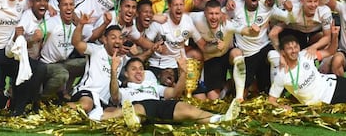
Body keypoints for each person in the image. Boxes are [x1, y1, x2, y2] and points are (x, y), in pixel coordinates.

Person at [102, 55, 241, 129]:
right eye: (134, 69)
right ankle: (133, 120)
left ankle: (220, 118)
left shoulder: (153, 86)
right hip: (139, 105)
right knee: (135, 109)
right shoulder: (124, 90)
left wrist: (183, 73)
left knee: (184, 107)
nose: (138, 71)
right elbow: (114, 95)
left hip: (158, 104)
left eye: (140, 68)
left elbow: (174, 93)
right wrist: (114, 71)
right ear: (126, 74)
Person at [268, 35, 346, 109]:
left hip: (334, 84)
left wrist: (334, 36)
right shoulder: (281, 76)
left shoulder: (305, 55)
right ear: (283, 52)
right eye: (289, 48)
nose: (294, 51)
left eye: (295, 47)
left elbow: (330, 51)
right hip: (325, 102)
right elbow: (271, 100)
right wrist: (282, 107)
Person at [69, 14, 126, 121]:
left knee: (119, 114)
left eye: (120, 38)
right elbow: (76, 43)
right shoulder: (95, 50)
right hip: (87, 92)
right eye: (113, 38)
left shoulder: (120, 60)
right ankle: (56, 108)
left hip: (103, 100)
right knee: (86, 105)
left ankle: (91, 116)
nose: (117, 41)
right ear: (104, 39)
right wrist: (81, 24)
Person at [190, 0, 245, 100]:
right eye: (211, 13)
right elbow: (182, 16)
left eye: (216, 13)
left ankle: (239, 96)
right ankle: (226, 86)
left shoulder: (227, 22)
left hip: (227, 54)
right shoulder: (196, 18)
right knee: (213, 98)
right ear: (205, 13)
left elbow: (245, 30)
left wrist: (254, 29)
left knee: (237, 53)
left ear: (221, 14)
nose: (214, 17)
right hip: (212, 58)